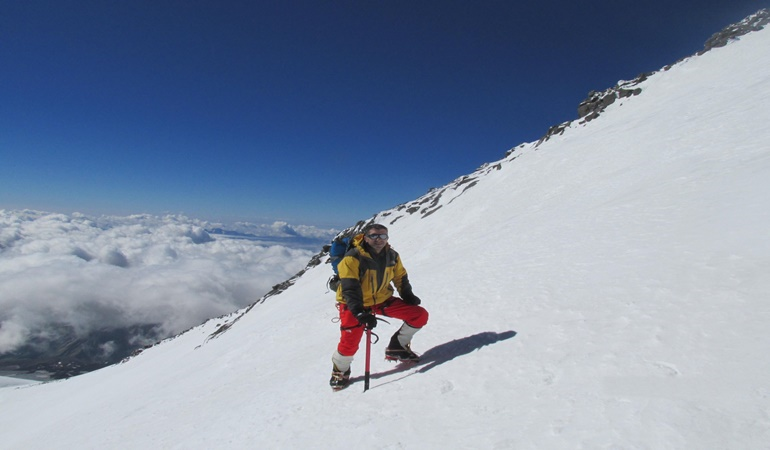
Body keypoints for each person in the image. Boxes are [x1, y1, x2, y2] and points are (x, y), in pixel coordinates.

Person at [329, 223, 429, 390]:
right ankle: (340, 371)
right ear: (365, 237)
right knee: (350, 342)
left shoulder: (392, 256)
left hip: (381, 300)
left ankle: (397, 346)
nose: (379, 240)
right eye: (374, 236)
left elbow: (400, 277)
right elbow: (349, 287)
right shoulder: (352, 258)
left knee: (419, 315)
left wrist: (407, 295)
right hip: (354, 303)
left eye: (383, 236)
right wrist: (360, 311)